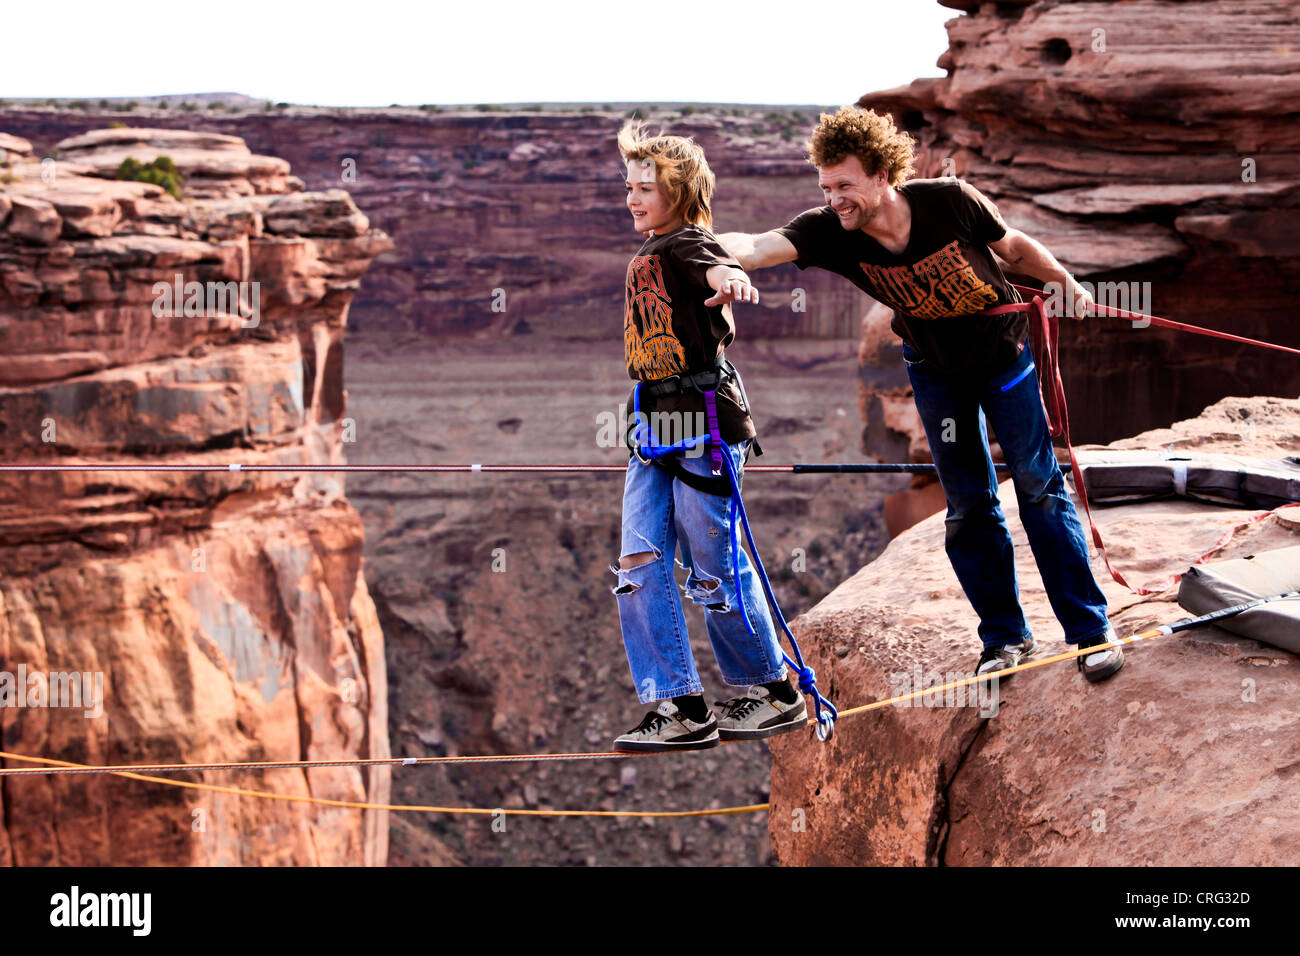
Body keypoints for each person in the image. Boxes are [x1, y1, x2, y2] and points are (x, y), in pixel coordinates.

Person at [716, 106, 1124, 684]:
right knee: (968, 504)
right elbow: (755, 247)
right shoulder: (829, 231)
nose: (835, 199)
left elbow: (1013, 248)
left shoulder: (949, 201)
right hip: (936, 371)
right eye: (826, 187)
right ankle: (1006, 639)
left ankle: (1090, 632)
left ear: (883, 175)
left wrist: (1067, 285)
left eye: (846, 186)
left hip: (1002, 359)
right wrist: (692, 248)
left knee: (1037, 487)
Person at [609, 122, 808, 752]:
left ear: (681, 192)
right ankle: (682, 705)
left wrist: (730, 280)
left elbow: (714, 264)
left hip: (705, 424)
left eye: (649, 188)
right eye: (631, 186)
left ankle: (770, 691)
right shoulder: (651, 248)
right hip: (654, 424)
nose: (635, 198)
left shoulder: (685, 243)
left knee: (712, 570)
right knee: (638, 564)